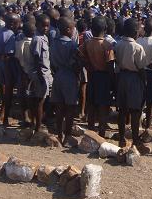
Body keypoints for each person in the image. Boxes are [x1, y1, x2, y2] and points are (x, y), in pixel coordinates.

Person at [114, 18, 147, 151]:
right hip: (134, 78)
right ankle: (135, 138)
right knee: (135, 110)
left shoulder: (118, 44)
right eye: (139, 29)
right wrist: (144, 82)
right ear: (135, 32)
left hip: (121, 76)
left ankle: (121, 137)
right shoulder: (138, 47)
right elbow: (141, 67)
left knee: (122, 110)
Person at [79, 16, 115, 137]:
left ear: (91, 29)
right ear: (105, 28)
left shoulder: (87, 43)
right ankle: (102, 131)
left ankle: (90, 129)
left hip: (92, 75)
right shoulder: (107, 45)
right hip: (104, 77)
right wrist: (112, 80)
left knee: (92, 103)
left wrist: (87, 64)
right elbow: (110, 64)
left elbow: (77, 53)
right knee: (103, 105)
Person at [50, 17, 80, 147]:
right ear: (68, 30)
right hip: (69, 76)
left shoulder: (54, 42)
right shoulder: (72, 45)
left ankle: (58, 133)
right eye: (73, 29)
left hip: (58, 75)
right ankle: (67, 135)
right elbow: (76, 63)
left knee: (59, 107)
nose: (74, 31)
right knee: (70, 108)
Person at [0, 13, 20, 125]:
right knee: (8, 92)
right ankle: (4, 117)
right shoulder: (11, 35)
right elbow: (9, 54)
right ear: (13, 24)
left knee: (3, 88)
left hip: (0, 63)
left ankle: (2, 115)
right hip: (7, 66)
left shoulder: (0, 31)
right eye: (18, 23)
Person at [29, 14, 53, 135]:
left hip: (46, 72)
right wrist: (40, 76)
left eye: (47, 26)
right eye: (43, 25)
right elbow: (37, 58)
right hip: (40, 74)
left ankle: (39, 122)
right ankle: (38, 127)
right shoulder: (37, 39)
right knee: (40, 100)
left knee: (44, 99)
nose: (45, 28)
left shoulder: (44, 37)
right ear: (37, 25)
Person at [136, 18, 152, 129]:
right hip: (151, 73)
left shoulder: (139, 40)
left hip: (140, 71)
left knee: (140, 99)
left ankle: (138, 123)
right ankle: (148, 124)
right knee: (150, 101)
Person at [15, 21, 35, 127]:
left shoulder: (19, 43)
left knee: (23, 96)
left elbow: (18, 59)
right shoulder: (35, 43)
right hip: (33, 74)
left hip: (23, 72)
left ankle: (25, 117)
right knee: (33, 97)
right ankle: (33, 119)